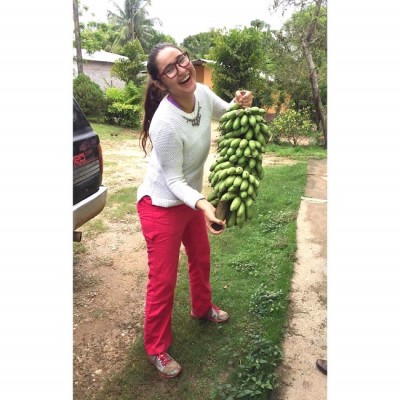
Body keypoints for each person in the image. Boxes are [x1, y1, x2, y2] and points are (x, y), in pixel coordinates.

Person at [136, 43, 253, 379]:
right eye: (170, 69)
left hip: (189, 200)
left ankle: (202, 309)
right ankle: (156, 348)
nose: (181, 70)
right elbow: (172, 180)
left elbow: (227, 112)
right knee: (163, 280)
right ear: (161, 82)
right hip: (161, 204)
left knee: (201, 258)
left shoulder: (201, 92)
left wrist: (241, 103)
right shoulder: (164, 124)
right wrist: (203, 204)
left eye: (181, 60)